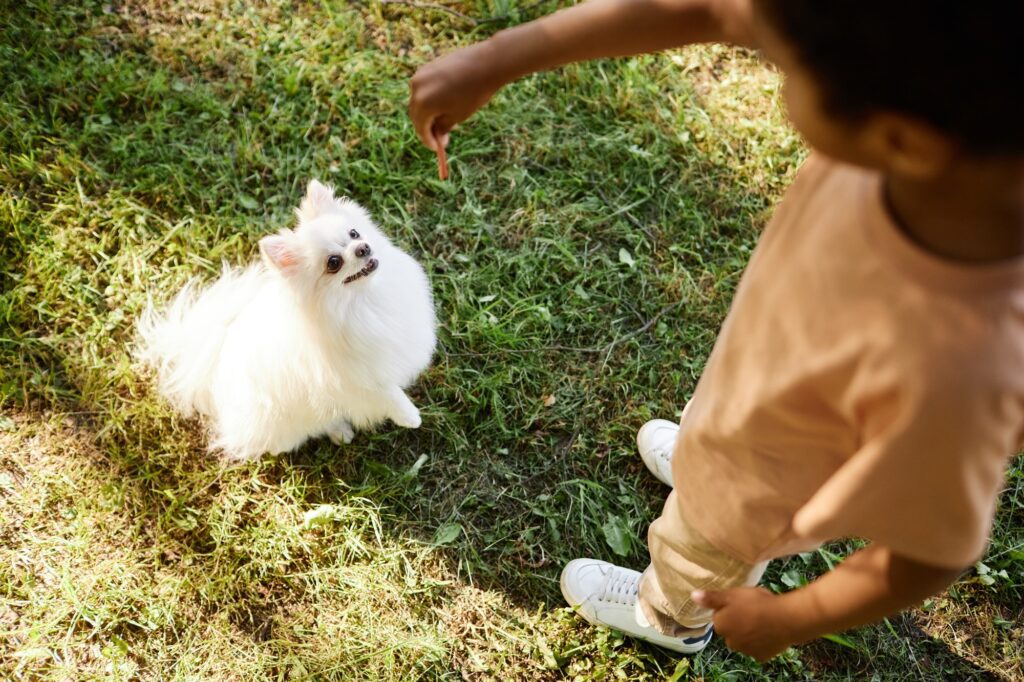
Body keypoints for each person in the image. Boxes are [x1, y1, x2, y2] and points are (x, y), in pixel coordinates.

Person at [407, 0, 1024, 661]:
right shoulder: (926, 94)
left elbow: (930, 554)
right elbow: (716, 9)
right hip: (765, 383)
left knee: (705, 547)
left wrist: (794, 617)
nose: (773, 69)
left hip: (764, 486)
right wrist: (499, 58)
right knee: (718, 438)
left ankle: (670, 617)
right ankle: (705, 461)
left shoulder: (960, 367)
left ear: (902, 139)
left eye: (786, 73)